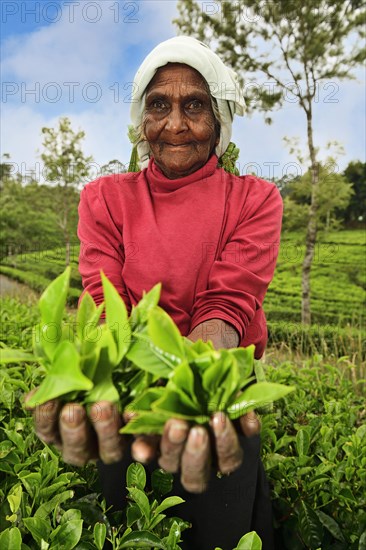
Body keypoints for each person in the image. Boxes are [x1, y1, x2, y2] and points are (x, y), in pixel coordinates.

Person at [30, 37, 282, 549]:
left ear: (219, 120)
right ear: (141, 120)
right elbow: (107, 304)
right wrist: (136, 392)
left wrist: (188, 392)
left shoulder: (254, 199)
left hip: (214, 388)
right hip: (129, 393)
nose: (174, 124)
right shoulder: (105, 198)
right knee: (132, 528)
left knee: (219, 528)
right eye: (158, 105)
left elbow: (227, 304)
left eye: (195, 105)